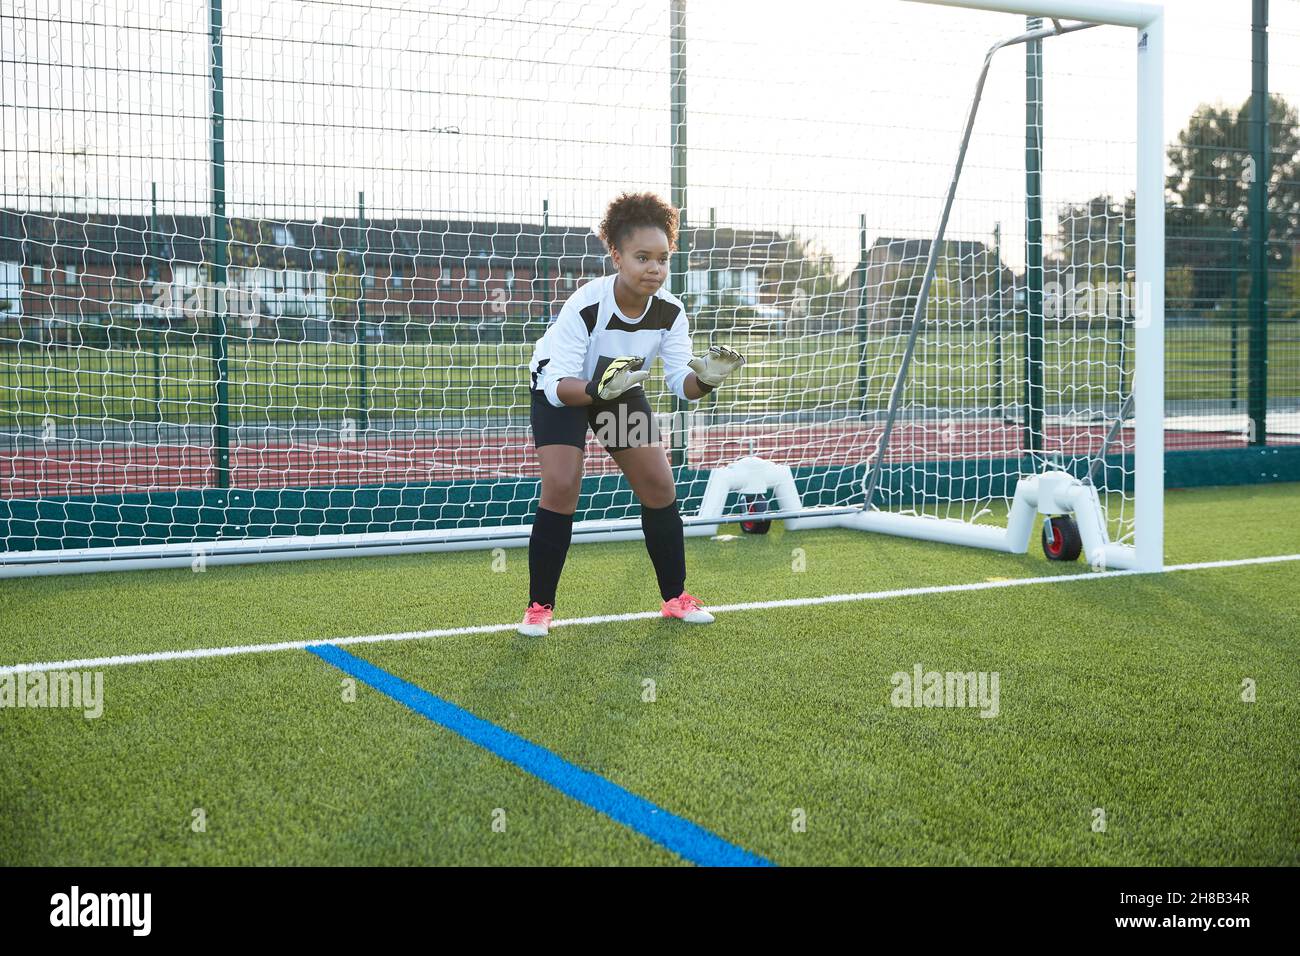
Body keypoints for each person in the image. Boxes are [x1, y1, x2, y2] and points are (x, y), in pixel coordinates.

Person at [519, 191, 745, 637]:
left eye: (662, 258)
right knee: (562, 486)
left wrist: (709, 379)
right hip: (565, 392)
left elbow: (682, 383)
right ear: (617, 256)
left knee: (660, 485)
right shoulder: (586, 304)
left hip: (619, 393)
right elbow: (557, 383)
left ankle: (676, 599)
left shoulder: (671, 311)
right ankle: (539, 607)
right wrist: (596, 390)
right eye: (642, 257)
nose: (654, 268)